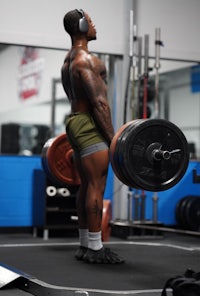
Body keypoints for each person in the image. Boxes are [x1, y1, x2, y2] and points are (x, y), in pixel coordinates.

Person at [61, 9, 124, 264]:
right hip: (89, 124)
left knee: (86, 185)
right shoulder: (87, 59)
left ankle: (85, 245)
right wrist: (114, 140)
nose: (95, 25)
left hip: (75, 122)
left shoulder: (68, 59)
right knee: (97, 185)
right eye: (92, 21)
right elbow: (100, 103)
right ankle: (96, 250)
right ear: (83, 25)